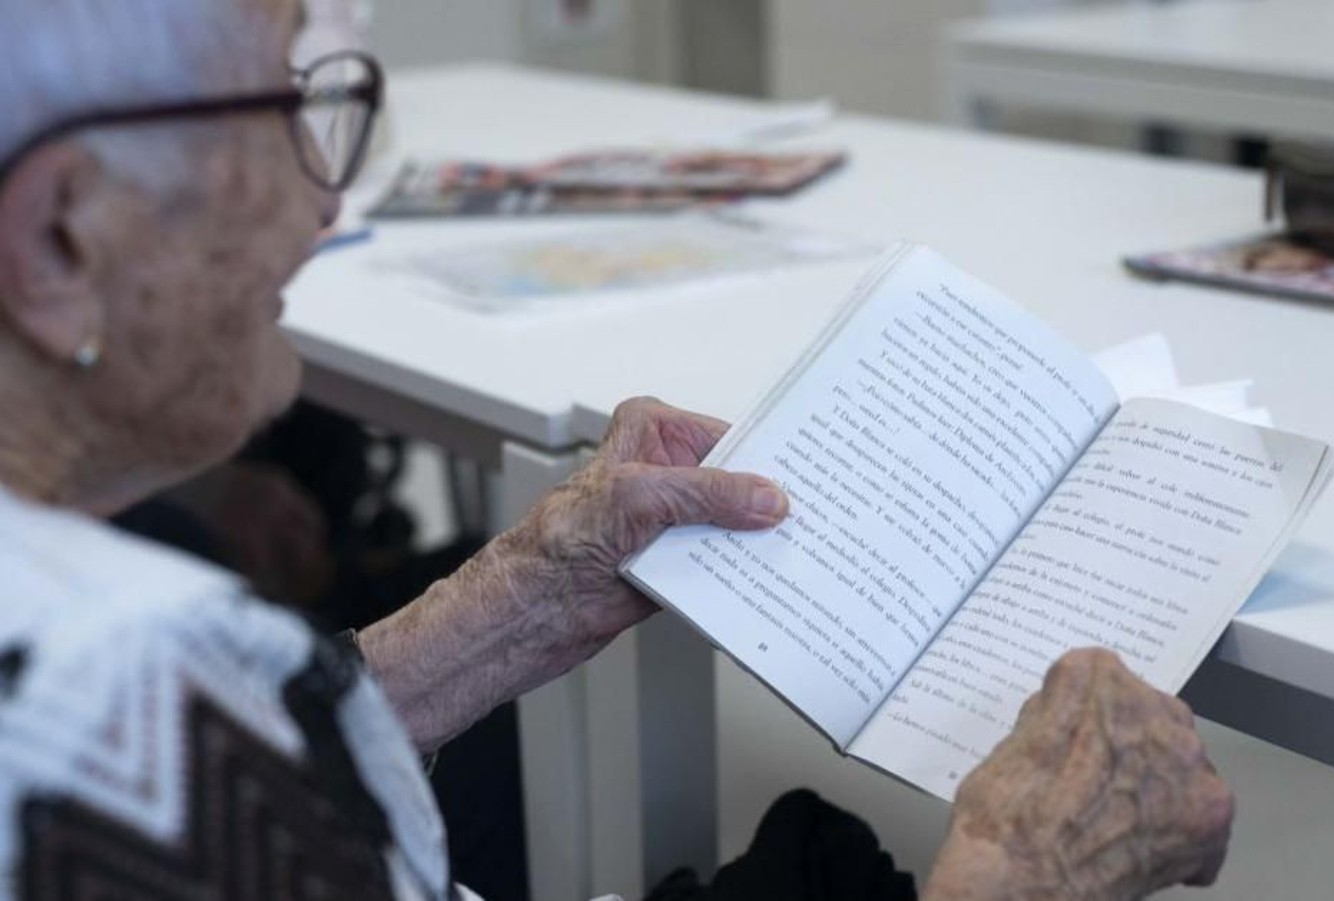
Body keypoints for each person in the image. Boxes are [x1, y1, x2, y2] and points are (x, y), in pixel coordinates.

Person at [0, 0, 1233, 898]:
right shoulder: (114, 703)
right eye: (280, 113)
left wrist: (525, 593)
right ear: (59, 240)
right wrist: (1023, 874)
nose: (324, 199)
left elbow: (272, 781)